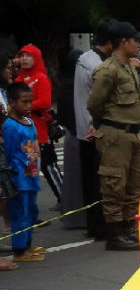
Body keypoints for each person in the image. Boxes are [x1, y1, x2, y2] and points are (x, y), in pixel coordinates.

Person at [87, 21, 140, 250]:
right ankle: (115, 234)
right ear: (124, 42)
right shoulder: (108, 70)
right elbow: (94, 104)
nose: (138, 44)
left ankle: (129, 228)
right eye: (135, 40)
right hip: (115, 133)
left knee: (137, 184)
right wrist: (104, 125)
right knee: (114, 184)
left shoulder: (128, 67)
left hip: (133, 133)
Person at [75, 21, 114, 240]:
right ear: (110, 42)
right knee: (98, 182)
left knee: (94, 181)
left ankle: (96, 224)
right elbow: (97, 101)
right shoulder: (95, 65)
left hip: (87, 128)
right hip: (93, 131)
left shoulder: (87, 59)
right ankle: (98, 226)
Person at [14, 44, 61, 205]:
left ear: (37, 58)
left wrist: (24, 105)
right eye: (22, 55)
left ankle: (65, 199)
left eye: (29, 56)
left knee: (49, 167)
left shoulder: (41, 77)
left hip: (40, 130)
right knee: (29, 171)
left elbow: (45, 102)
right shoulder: (18, 80)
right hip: (22, 130)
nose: (24, 59)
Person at [3, 82, 44, 263]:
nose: (29, 106)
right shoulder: (10, 126)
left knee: (31, 211)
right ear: (12, 103)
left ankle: (27, 244)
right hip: (19, 177)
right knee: (20, 212)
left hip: (32, 174)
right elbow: (10, 154)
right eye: (24, 102)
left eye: (30, 101)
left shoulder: (29, 121)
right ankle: (19, 250)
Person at [58, 49, 87, 229]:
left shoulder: (65, 83)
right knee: (80, 179)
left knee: (73, 180)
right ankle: (79, 218)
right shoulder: (75, 84)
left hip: (73, 135)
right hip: (80, 134)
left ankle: (72, 217)